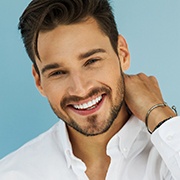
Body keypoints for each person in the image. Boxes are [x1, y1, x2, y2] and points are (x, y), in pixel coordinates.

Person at [0, 0, 179, 179]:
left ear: (122, 53)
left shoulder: (168, 156)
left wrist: (159, 115)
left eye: (91, 61)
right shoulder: (13, 173)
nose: (80, 89)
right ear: (39, 81)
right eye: (58, 72)